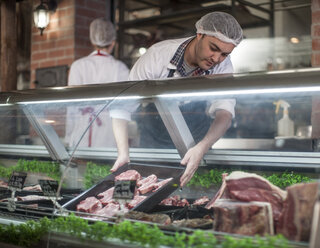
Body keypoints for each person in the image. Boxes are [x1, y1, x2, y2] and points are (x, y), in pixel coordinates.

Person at [110, 11, 243, 187]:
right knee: (149, 194)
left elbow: (224, 113)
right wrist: (123, 154)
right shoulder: (157, 56)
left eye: (225, 54)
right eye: (213, 48)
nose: (217, 59)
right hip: (154, 144)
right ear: (200, 34)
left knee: (194, 196)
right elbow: (122, 107)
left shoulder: (223, 67)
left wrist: (202, 148)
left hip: (196, 145)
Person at [65, 18, 129, 148]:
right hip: (110, 133)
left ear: (92, 41)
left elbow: (71, 106)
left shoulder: (77, 66)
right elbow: (127, 106)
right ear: (113, 43)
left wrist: (68, 136)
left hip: (80, 131)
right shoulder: (120, 68)